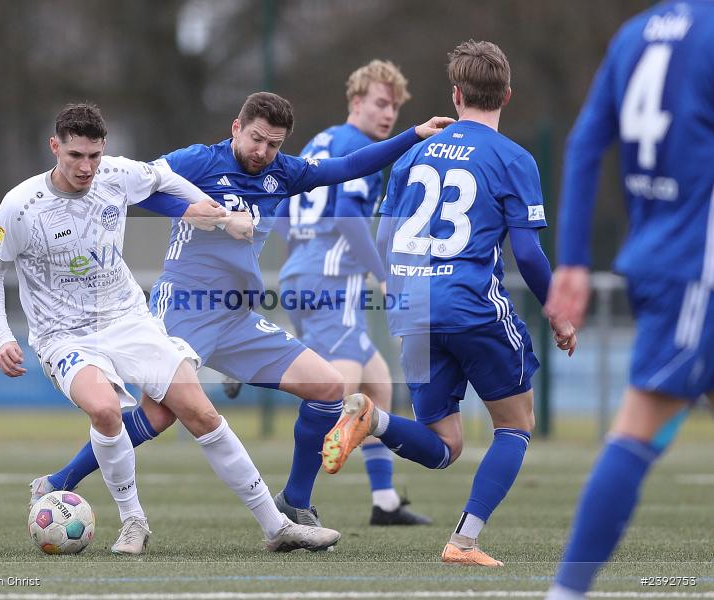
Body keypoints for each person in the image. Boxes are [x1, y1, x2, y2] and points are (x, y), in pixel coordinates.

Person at [31, 93, 454, 530]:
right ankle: (58, 482)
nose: (262, 151)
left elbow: (347, 167)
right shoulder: (200, 161)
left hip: (235, 315)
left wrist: (413, 135)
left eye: (273, 144)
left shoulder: (282, 172)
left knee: (328, 387)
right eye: (256, 139)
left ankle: (295, 502)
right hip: (184, 306)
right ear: (236, 127)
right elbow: (135, 190)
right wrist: (194, 211)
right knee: (159, 414)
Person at [0, 103, 342, 555]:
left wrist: (212, 212)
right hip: (63, 335)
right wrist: (3, 337)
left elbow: (165, 180)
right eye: (75, 156)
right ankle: (133, 522)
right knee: (106, 409)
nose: (86, 167)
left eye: (94, 155)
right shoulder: (22, 205)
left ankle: (277, 526)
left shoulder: (115, 174)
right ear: (55, 147)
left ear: (104, 149)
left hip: (128, 319)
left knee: (201, 412)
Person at [321, 40, 576, 566]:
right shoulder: (513, 158)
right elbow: (528, 252)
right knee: (515, 424)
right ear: (507, 95)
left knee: (444, 446)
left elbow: (386, 235)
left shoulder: (413, 151)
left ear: (456, 94)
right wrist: (557, 309)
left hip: (413, 306)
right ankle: (463, 542)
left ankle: (374, 420)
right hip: (471, 304)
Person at [543, 2, 714, 597]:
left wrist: (572, 260)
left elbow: (585, 145)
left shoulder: (634, 34)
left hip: (657, 258)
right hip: (697, 270)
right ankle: (567, 591)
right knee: (639, 427)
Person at [274, 60, 431, 526]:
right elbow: (346, 215)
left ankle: (385, 502)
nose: (389, 114)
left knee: (377, 384)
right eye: (381, 103)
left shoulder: (322, 140)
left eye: (395, 107)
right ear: (356, 101)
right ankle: (294, 499)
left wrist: (303, 252)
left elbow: (281, 210)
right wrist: (383, 275)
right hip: (332, 279)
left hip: (302, 273)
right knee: (337, 389)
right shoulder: (361, 147)